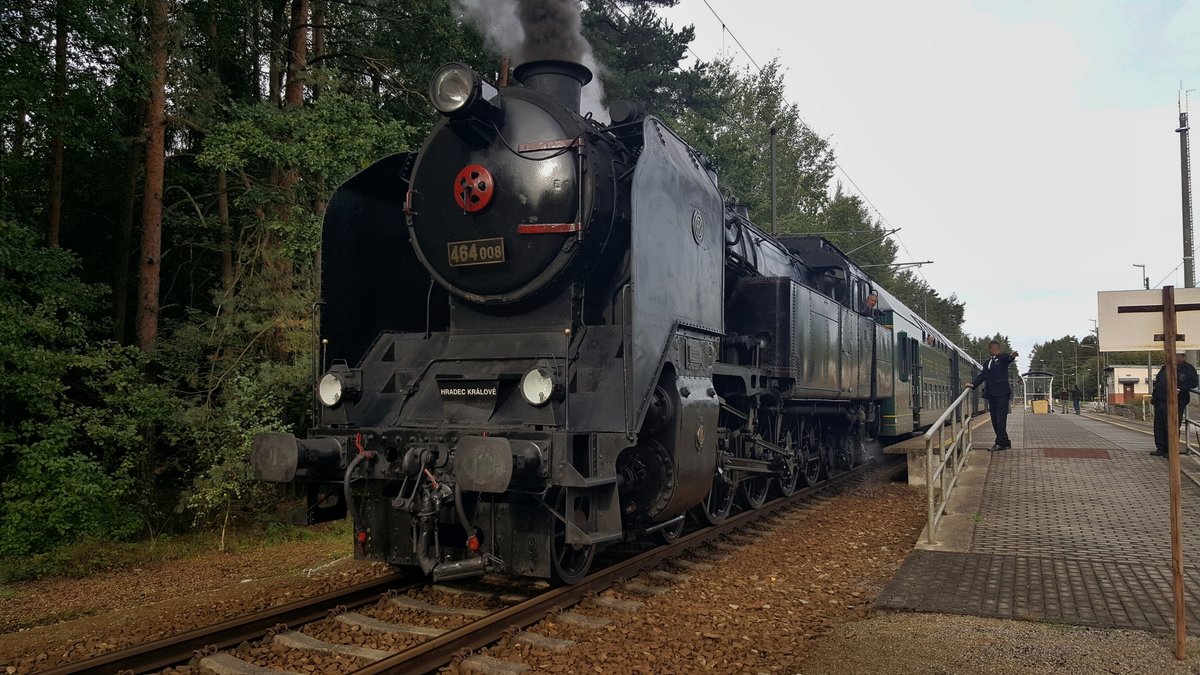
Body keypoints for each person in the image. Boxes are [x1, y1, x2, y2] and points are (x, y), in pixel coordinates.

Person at [965, 340, 1018, 451]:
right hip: (991, 394)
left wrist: (1012, 356)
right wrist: (973, 384)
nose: (993, 350)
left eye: (995, 348)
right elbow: (982, 376)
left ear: (998, 349)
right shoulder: (987, 363)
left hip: (1002, 394)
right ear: (989, 350)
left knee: (1000, 419)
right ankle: (1005, 441)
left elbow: (1008, 359)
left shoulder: (1002, 358)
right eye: (991, 348)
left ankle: (1000, 443)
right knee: (994, 419)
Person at [1151, 352, 1200, 457]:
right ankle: (1161, 448)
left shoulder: (1188, 368)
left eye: (1177, 355)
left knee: (1172, 425)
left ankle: (1171, 449)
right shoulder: (1165, 367)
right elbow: (1158, 382)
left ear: (1182, 357)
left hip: (1176, 401)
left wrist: (1181, 388)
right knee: (1159, 426)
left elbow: (1194, 382)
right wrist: (1154, 398)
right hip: (1160, 401)